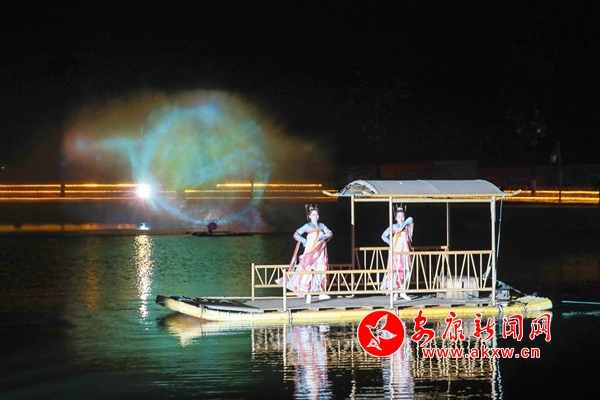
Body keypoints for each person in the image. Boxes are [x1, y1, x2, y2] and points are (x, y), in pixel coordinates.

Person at [284, 205, 333, 304]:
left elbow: (330, 233)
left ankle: (322, 293)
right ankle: (308, 294)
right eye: (313, 215)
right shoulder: (307, 226)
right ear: (310, 216)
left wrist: (323, 237)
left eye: (317, 214)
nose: (316, 216)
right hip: (310, 251)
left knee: (321, 269)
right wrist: (304, 241)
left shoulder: (322, 225)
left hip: (320, 252)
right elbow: (296, 234)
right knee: (309, 271)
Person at [381, 207, 414, 301]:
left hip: (405, 252)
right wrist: (390, 243)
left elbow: (411, 219)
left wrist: (403, 225)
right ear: (395, 218)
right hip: (396, 252)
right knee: (396, 271)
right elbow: (383, 235)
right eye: (398, 217)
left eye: (402, 216)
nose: (401, 218)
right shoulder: (394, 227)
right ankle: (395, 292)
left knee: (406, 271)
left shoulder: (406, 226)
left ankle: (402, 291)